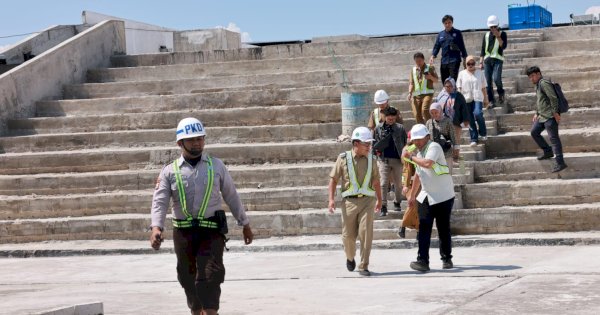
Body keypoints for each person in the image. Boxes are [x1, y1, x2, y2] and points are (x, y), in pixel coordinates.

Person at [150, 117, 254, 315]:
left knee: (211, 275)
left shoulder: (216, 166)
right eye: (192, 140)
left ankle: (210, 310)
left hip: (211, 231)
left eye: (200, 139)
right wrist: (156, 227)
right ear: (180, 143)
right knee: (187, 277)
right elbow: (160, 201)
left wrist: (245, 223)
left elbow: (231, 195)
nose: (197, 143)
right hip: (183, 233)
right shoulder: (169, 171)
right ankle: (197, 309)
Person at [328, 126, 383, 277]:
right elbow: (333, 179)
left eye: (369, 144)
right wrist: (331, 199)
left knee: (366, 233)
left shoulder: (372, 159)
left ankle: (363, 265)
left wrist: (380, 199)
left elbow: (376, 182)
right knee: (348, 236)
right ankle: (350, 257)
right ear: (356, 144)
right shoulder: (343, 158)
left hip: (368, 201)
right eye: (366, 144)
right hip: (349, 203)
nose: (369, 147)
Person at [402, 124, 455, 272]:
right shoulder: (419, 152)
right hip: (427, 194)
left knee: (443, 228)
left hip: (443, 195)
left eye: (419, 139)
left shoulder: (434, 147)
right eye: (415, 140)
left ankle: (447, 259)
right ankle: (422, 261)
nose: (417, 142)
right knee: (423, 227)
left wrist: (410, 156)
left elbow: (428, 164)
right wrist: (412, 195)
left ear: (427, 137)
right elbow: (418, 174)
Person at [526, 66, 568, 173]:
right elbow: (541, 100)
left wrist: (555, 113)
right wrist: (537, 112)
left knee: (554, 139)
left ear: (539, 74)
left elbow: (553, 97)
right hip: (542, 116)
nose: (531, 79)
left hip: (550, 116)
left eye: (533, 76)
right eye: (530, 77)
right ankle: (547, 151)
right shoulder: (537, 85)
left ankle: (560, 162)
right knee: (534, 132)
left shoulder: (544, 83)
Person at [373, 107, 408, 216]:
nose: (391, 119)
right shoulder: (378, 128)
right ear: (385, 117)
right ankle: (383, 206)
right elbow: (375, 144)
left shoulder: (400, 128)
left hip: (398, 160)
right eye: (389, 117)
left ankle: (397, 202)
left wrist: (405, 156)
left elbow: (405, 142)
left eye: (393, 117)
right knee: (383, 183)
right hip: (384, 160)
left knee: (398, 184)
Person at [457, 55, 489, 146]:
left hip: (477, 97)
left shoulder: (480, 73)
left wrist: (486, 99)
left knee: (478, 113)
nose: (470, 65)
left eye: (472, 63)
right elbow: (459, 87)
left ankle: (483, 133)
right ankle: (474, 138)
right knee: (470, 119)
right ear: (465, 64)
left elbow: (483, 87)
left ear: (475, 63)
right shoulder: (461, 74)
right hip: (466, 99)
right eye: (468, 63)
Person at [436, 77, 469, 158]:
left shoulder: (458, 95)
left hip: (455, 122)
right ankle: (448, 156)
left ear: (454, 86)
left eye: (450, 86)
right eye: (446, 86)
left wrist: (466, 119)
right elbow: (436, 107)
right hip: (444, 122)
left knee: (456, 140)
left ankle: (456, 155)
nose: (448, 88)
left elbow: (464, 108)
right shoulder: (441, 96)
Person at [430, 15, 468, 83]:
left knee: (452, 81)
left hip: (454, 60)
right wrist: (433, 56)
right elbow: (437, 46)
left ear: (452, 23)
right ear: (443, 24)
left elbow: (462, 46)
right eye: (446, 23)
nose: (447, 24)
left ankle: (453, 93)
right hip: (444, 61)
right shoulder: (440, 34)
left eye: (449, 22)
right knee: (444, 81)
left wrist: (465, 58)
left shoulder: (457, 33)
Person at [479, 15, 508, 108]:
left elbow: (503, 46)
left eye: (495, 27)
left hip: (498, 60)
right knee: (487, 81)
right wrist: (481, 62)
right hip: (487, 60)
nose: (493, 28)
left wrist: (498, 36)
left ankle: (501, 92)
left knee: (496, 79)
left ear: (498, 26)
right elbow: (483, 50)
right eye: (491, 27)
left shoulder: (503, 34)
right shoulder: (486, 35)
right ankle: (491, 100)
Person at [408, 52, 440, 124]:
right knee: (416, 114)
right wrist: (410, 93)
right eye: (416, 61)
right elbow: (411, 83)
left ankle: (431, 126)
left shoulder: (430, 67)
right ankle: (422, 130)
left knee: (425, 110)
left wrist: (430, 77)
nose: (418, 63)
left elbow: (436, 80)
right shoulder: (413, 70)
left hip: (427, 94)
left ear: (423, 60)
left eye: (420, 61)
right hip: (416, 95)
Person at [426, 102, 457, 174]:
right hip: (434, 152)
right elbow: (427, 138)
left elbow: (453, 136)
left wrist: (456, 150)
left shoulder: (447, 121)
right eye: (432, 113)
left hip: (446, 152)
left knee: (447, 173)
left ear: (440, 111)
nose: (434, 114)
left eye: (436, 112)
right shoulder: (429, 123)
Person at [398, 131, 419, 239]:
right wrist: (405, 185)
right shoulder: (409, 150)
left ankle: (418, 230)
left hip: (419, 181)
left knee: (418, 206)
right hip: (411, 182)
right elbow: (407, 169)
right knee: (413, 204)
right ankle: (403, 226)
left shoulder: (415, 148)